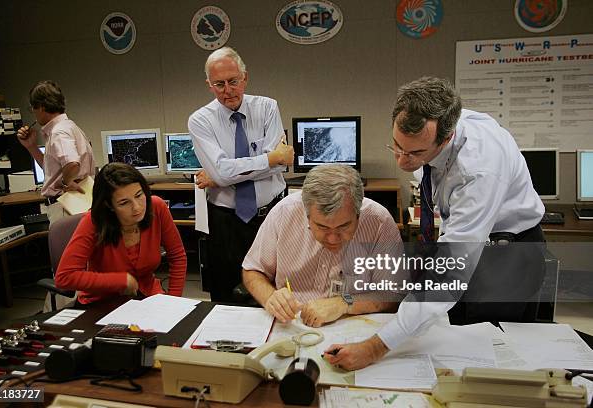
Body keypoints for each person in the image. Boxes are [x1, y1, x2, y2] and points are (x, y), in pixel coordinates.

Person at [323, 76, 546, 370]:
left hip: (508, 254)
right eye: (397, 146)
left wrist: (375, 347)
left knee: (489, 355)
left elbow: (449, 276)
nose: (402, 162)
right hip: (473, 237)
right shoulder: (438, 124)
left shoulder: (477, 171)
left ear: (447, 137)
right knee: (453, 336)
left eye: (416, 153)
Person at [188, 46, 294, 302]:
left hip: (269, 215)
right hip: (225, 222)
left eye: (233, 81)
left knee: (273, 291)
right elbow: (225, 172)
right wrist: (268, 159)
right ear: (209, 85)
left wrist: (225, 174)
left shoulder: (268, 108)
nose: (228, 90)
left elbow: (280, 166)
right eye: (219, 84)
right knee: (226, 295)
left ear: (245, 77)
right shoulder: (200, 120)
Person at [243, 164, 404, 327]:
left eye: (344, 226)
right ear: (307, 215)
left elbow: (393, 294)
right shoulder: (284, 213)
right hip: (292, 323)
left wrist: (344, 303)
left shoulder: (379, 222)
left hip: (352, 323)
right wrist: (270, 297)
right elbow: (253, 270)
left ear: (358, 213)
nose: (333, 239)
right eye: (322, 227)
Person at [55, 163, 186, 306]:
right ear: (109, 205)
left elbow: (178, 256)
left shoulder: (157, 207)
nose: (137, 207)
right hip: (103, 303)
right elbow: (64, 277)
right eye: (124, 203)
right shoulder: (93, 221)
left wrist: (173, 302)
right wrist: (120, 281)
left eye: (139, 195)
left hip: (148, 297)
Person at [16, 80, 95, 224]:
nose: (33, 113)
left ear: (40, 107)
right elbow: (53, 171)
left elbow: (71, 163)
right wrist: (31, 147)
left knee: (64, 246)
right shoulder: (70, 127)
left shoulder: (59, 132)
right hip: (78, 203)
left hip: (66, 206)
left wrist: (67, 182)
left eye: (32, 108)